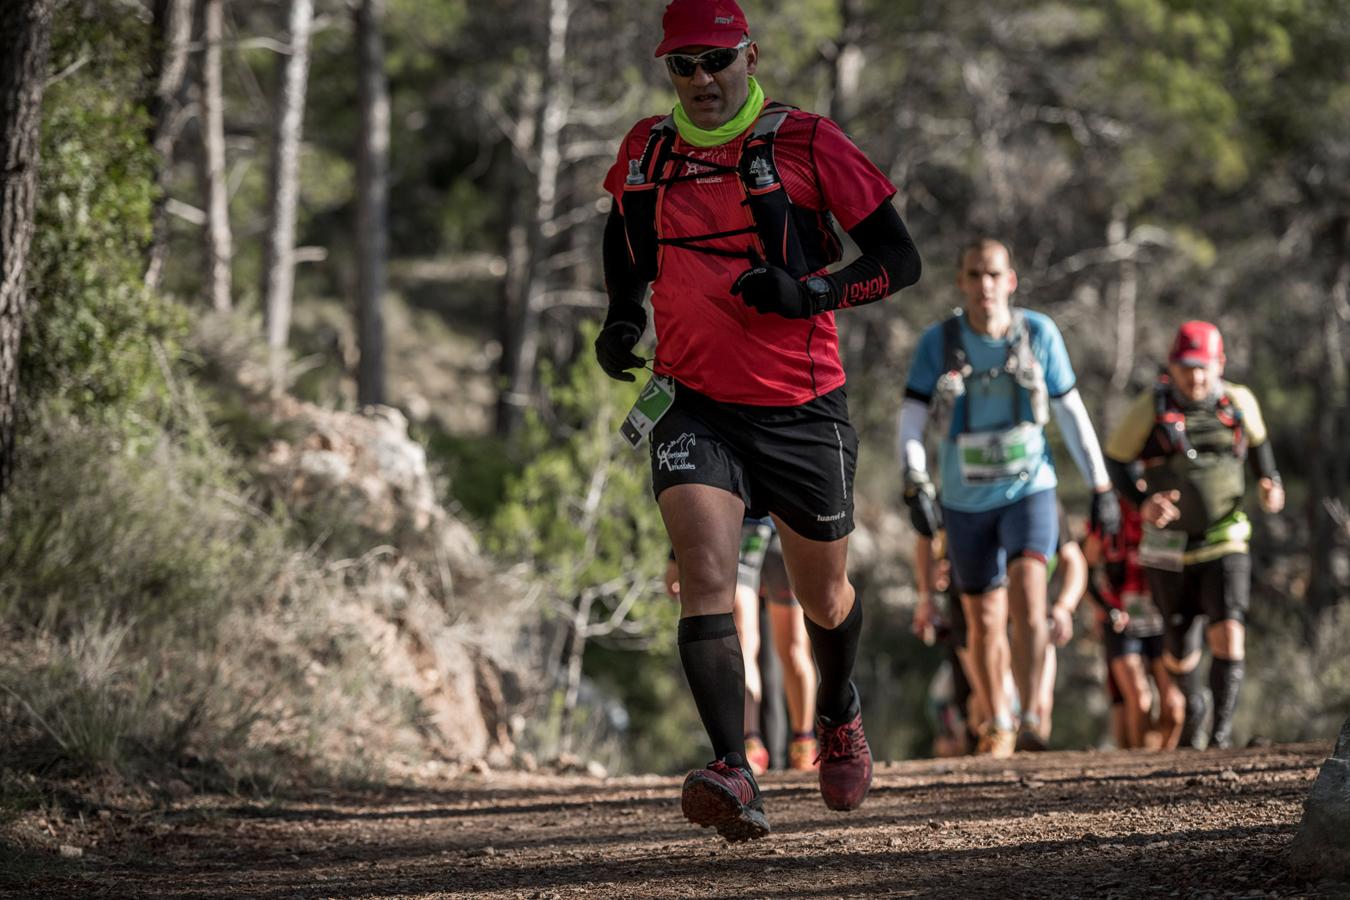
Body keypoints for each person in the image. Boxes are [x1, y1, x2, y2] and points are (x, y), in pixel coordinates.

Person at [597, 0, 921, 842]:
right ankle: (732, 767)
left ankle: (838, 710)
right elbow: (624, 244)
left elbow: (899, 258)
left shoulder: (808, 141)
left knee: (824, 593)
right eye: (683, 65)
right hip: (692, 400)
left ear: (749, 53)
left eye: (715, 60)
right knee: (705, 576)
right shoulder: (647, 150)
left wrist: (809, 291)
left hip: (800, 404)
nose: (701, 80)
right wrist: (622, 316)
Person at [897, 238, 1118, 758]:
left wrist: (1101, 485)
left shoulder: (1038, 333)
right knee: (985, 619)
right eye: (974, 275)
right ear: (961, 282)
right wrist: (914, 478)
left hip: (1029, 489)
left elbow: (1070, 411)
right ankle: (998, 717)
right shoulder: (940, 341)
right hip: (965, 499)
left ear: (1011, 280)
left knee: (1029, 590)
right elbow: (911, 414)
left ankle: (1030, 715)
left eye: (994, 275)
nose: (985, 286)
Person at [1104, 321, 1284, 749]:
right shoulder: (1152, 406)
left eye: (1203, 368)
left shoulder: (1237, 402)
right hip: (1169, 548)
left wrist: (1270, 482)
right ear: (1172, 366)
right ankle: (1194, 704)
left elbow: (1260, 448)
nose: (1195, 377)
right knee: (1179, 645)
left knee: (1229, 628)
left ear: (1219, 364)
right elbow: (1115, 460)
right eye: (1187, 368)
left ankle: (1219, 733)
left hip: (1226, 536)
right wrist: (1142, 502)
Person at [665, 518, 819, 775]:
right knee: (746, 641)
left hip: (774, 527)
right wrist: (675, 553)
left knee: (790, 648)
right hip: (750, 528)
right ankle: (754, 743)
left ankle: (800, 744)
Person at [1083, 490, 1185, 750]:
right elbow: (1085, 568)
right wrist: (1105, 609)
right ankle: (1138, 770)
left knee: (1174, 707)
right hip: (1123, 621)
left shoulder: (1170, 509)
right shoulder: (1109, 516)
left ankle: (1162, 763)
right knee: (1139, 700)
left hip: (1162, 619)